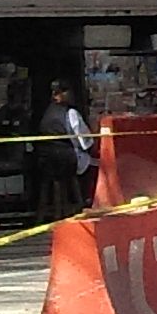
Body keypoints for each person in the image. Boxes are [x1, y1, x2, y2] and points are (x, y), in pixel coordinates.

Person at [48, 77, 98, 213]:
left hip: (50, 161)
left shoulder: (47, 114)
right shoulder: (70, 113)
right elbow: (84, 141)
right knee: (96, 165)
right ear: (62, 94)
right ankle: (87, 202)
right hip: (68, 160)